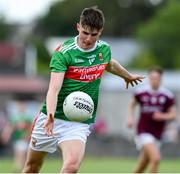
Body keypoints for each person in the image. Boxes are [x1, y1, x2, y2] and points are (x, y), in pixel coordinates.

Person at [22, 7, 144, 173]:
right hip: (52, 117)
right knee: (32, 167)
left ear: (100, 32)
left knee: (71, 166)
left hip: (78, 120)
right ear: (78, 27)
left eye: (94, 35)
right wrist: (50, 115)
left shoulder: (103, 49)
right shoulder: (64, 53)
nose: (88, 39)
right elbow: (54, 89)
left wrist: (126, 76)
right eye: (85, 32)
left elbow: (109, 64)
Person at [127, 66, 176, 173]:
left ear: (161, 78)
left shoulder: (167, 95)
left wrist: (162, 116)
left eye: (157, 78)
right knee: (156, 158)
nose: (154, 80)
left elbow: (173, 115)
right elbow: (132, 104)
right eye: (152, 78)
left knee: (143, 164)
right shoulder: (141, 92)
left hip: (158, 133)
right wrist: (130, 118)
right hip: (143, 131)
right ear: (149, 78)